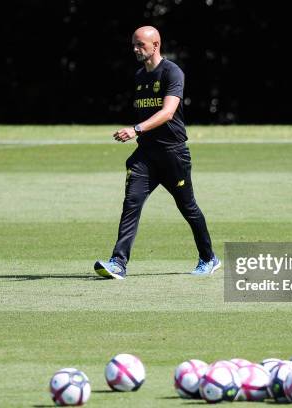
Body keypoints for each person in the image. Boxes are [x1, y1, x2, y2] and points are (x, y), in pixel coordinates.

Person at [94, 26, 220, 279]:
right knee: (131, 204)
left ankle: (209, 258)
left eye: (140, 44)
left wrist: (136, 129)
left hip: (173, 155)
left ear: (156, 44)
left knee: (188, 208)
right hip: (146, 156)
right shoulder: (140, 76)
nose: (135, 49)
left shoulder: (172, 72)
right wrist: (140, 134)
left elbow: (167, 112)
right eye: (134, 44)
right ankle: (118, 263)